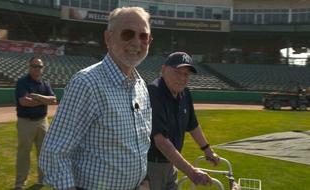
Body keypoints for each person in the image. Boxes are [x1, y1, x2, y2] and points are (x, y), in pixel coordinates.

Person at [39, 7, 152, 190]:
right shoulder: (86, 83)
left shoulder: (141, 86)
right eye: (128, 34)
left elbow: (140, 143)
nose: (136, 42)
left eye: (143, 36)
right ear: (108, 38)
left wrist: (143, 181)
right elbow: (54, 152)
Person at [146, 52, 220, 190]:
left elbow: (193, 125)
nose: (182, 78)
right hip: (152, 166)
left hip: (172, 164)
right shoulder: (154, 91)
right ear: (163, 70)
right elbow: (160, 141)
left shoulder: (185, 93)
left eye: (186, 74)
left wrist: (208, 150)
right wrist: (191, 172)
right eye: (177, 72)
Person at [14, 57, 57, 190]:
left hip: (42, 122)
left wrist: (37, 97)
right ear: (29, 67)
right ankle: (20, 183)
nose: (37, 69)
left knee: (43, 153)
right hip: (26, 122)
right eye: (34, 66)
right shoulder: (22, 82)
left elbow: (54, 99)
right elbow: (24, 102)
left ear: (42, 68)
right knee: (23, 153)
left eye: (39, 66)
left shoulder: (45, 83)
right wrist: (44, 100)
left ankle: (42, 179)